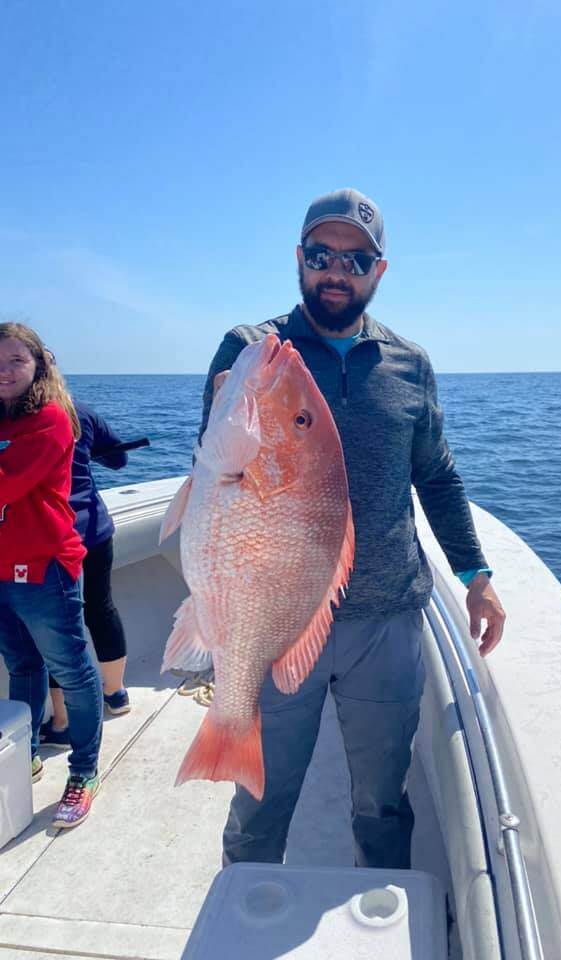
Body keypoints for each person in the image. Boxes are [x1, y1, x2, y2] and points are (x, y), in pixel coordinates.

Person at [199, 188, 506, 870]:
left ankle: (381, 897)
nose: (336, 270)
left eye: (356, 259)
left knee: (382, 797)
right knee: (260, 798)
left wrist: (476, 575)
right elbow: (219, 471)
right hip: (276, 620)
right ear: (299, 259)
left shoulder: (409, 364)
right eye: (321, 255)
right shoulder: (253, 350)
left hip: (386, 619)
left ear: (379, 270)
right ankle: (243, 895)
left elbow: (437, 476)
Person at [0, 322, 103, 829]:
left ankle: (84, 770)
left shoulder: (50, 419)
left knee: (73, 669)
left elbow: (6, 482)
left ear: (39, 363)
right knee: (21, 664)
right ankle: (26, 755)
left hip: (44, 568)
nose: (4, 371)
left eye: (16, 360)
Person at [40, 401, 131, 749]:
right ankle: (116, 693)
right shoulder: (81, 412)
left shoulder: (16, 415)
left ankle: (63, 722)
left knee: (57, 625)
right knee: (101, 608)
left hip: (54, 539)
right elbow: (119, 459)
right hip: (94, 530)